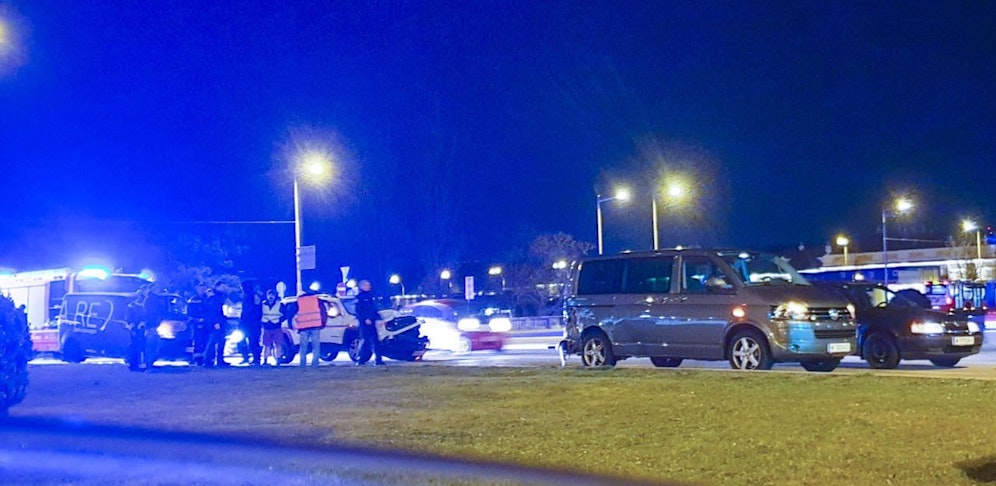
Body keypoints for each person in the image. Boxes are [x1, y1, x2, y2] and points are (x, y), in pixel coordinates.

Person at [355, 280, 384, 366]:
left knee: (376, 341)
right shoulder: (359, 297)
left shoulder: (371, 296)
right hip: (365, 324)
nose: (369, 286)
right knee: (365, 341)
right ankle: (361, 359)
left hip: (372, 322)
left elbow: (374, 309)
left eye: (369, 285)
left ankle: (378, 360)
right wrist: (365, 319)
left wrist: (378, 318)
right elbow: (358, 310)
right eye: (367, 285)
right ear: (362, 286)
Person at [202, 281, 230, 368]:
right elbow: (214, 311)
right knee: (213, 341)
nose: (224, 288)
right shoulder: (215, 297)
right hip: (216, 323)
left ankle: (219, 360)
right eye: (222, 286)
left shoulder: (218, 296)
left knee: (220, 341)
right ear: (217, 286)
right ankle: (207, 359)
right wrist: (216, 322)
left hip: (219, 321)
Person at [294, 291, 326, 368]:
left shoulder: (299, 301)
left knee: (303, 346)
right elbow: (323, 312)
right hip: (315, 326)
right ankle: (315, 364)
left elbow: (291, 313)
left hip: (303, 327)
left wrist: (292, 324)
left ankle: (302, 364)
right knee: (316, 346)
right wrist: (323, 323)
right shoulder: (317, 300)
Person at [126, 285, 150, 372]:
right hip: (135, 329)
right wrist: (132, 326)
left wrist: (144, 323)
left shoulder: (147, 304)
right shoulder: (132, 305)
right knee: (135, 345)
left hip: (143, 328)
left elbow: (149, 316)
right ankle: (133, 363)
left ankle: (142, 364)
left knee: (143, 346)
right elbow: (129, 317)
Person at [239, 281, 263, 365]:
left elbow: (257, 308)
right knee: (241, 341)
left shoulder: (254, 295)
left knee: (253, 341)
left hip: (253, 323)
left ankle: (256, 359)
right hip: (244, 323)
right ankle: (246, 357)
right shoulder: (246, 296)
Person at [260, 289, 285, 366]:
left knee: (278, 344)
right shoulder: (262, 305)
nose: (271, 297)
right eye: (269, 295)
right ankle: (265, 360)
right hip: (267, 327)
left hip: (276, 327)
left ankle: (278, 360)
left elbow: (285, 315)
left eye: (272, 295)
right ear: (267, 296)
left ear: (275, 296)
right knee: (266, 345)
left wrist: (279, 320)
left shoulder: (280, 305)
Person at [187, 284, 209, 366]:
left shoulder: (208, 298)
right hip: (197, 324)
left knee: (206, 341)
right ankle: (198, 360)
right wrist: (196, 320)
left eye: (204, 289)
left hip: (206, 324)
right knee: (198, 341)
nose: (203, 291)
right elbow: (191, 312)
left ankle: (206, 358)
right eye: (201, 289)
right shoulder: (194, 299)